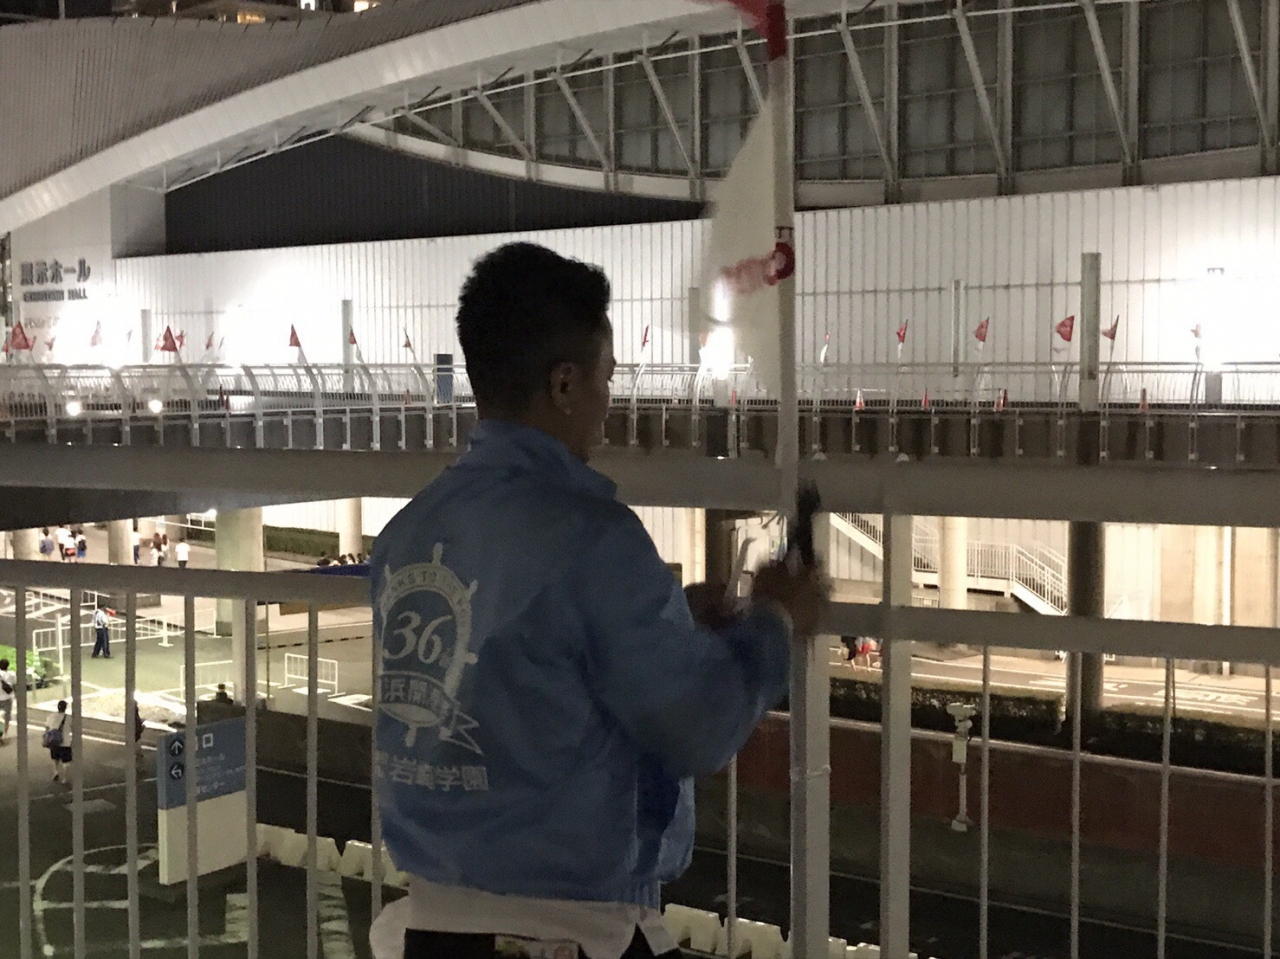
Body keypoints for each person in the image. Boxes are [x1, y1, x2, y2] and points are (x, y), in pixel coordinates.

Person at [369, 243, 827, 959]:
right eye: (606, 378)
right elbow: (698, 725)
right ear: (564, 384)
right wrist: (775, 619)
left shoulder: (408, 531)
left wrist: (670, 618)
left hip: (427, 927)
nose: (609, 405)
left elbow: (526, 654)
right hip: (570, 933)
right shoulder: (593, 536)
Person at [44, 700, 72, 783]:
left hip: (54, 741)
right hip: (66, 742)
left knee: (55, 758)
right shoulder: (69, 718)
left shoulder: (51, 716)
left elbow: (47, 728)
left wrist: (46, 738)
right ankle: (65, 778)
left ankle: (56, 772)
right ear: (65, 708)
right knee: (66, 761)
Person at [0, 657, 16, 744]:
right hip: (7, 698)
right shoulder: (12, 674)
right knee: (7, 717)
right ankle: (4, 735)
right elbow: (15, 685)